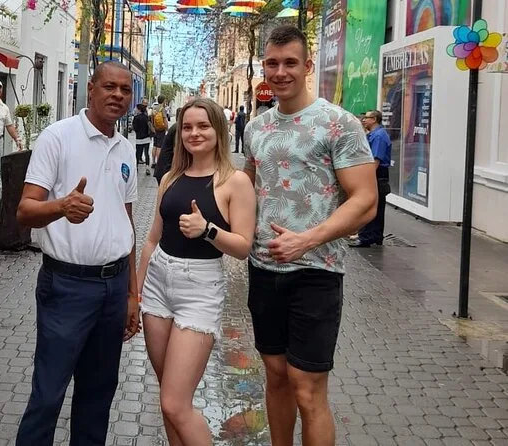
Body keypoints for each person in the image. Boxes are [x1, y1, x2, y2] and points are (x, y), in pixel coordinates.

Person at [242, 25, 377, 446]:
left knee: (307, 387)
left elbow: (365, 201)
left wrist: (307, 239)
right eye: (272, 63)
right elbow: (249, 188)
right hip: (263, 270)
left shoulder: (339, 123)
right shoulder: (255, 128)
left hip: (317, 271)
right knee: (276, 376)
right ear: (264, 67)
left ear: (307, 66)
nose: (280, 72)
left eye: (290, 63)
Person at [14, 61, 140, 446]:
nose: (117, 95)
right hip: (66, 287)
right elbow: (24, 211)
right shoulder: (58, 137)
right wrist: (61, 207)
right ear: (91, 89)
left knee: (98, 396)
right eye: (109, 87)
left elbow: (127, 223)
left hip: (114, 287)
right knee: (48, 394)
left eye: (125, 90)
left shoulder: (125, 148)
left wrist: (132, 294)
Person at [138, 98, 256, 446]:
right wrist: (135, 292)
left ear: (219, 130)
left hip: (200, 288)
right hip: (157, 283)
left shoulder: (235, 182)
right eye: (187, 127)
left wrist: (207, 230)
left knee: (175, 403)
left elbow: (243, 247)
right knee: (168, 396)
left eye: (203, 126)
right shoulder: (170, 177)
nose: (194, 133)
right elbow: (151, 239)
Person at [351, 110, 392, 247]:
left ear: (374, 119)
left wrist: (366, 179)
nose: (363, 120)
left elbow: (375, 160)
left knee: (370, 205)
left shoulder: (379, 136)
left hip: (376, 175)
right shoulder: (374, 134)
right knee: (376, 205)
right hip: (375, 174)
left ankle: (367, 237)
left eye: (366, 118)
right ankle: (374, 236)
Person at [154, 108, 182, 185]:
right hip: (167, 170)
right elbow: (177, 151)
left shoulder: (176, 126)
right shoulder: (178, 128)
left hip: (164, 169)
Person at [132, 103, 152, 176]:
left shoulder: (136, 118)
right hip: (147, 138)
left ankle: (136, 167)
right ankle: (147, 168)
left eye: (136, 108)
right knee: (146, 153)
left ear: (139, 109)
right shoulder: (147, 117)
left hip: (139, 139)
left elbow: (135, 128)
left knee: (138, 153)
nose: (136, 110)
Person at [151, 95, 168, 169]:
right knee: (159, 146)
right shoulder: (162, 109)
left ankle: (153, 161)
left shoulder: (154, 108)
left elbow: (151, 118)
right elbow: (165, 120)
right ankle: (158, 163)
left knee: (154, 145)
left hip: (155, 129)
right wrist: (167, 128)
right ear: (163, 101)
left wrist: (153, 127)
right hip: (161, 129)